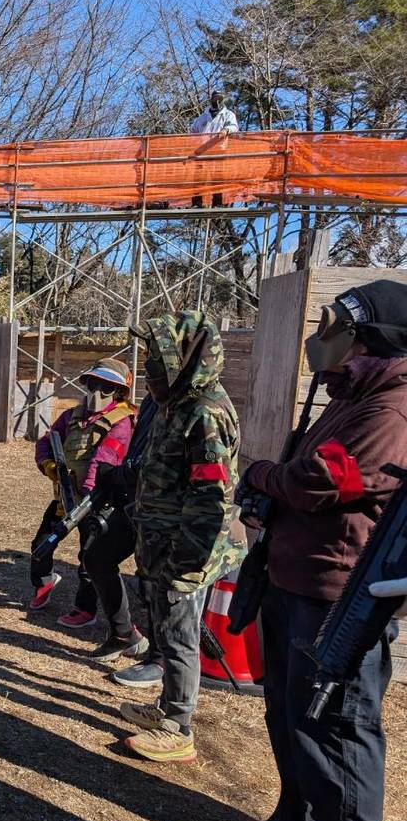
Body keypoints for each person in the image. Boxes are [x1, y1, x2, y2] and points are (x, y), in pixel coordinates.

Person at [235, 280, 407, 821]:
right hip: (296, 578)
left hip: (340, 595)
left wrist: (262, 474)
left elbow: (322, 481)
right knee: (290, 714)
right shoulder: (353, 395)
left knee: (336, 722)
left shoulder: (392, 409)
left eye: (345, 335)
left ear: (374, 341)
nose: (328, 344)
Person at [120, 310, 243, 764]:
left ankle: (179, 727)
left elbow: (210, 500)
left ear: (184, 356)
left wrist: (185, 567)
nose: (150, 364)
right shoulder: (177, 403)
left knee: (179, 634)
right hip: (163, 542)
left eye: (158, 354)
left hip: (186, 551)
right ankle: (167, 707)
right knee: (166, 628)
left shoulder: (205, 412)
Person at [28, 360, 136, 627]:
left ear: (119, 392)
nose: (97, 393)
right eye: (92, 385)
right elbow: (46, 442)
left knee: (89, 558)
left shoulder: (121, 422)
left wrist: (87, 498)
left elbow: (104, 460)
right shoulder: (72, 416)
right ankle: (44, 581)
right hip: (65, 499)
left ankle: (85, 610)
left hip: (96, 503)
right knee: (41, 545)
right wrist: (48, 465)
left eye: (106, 388)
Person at [79, 396, 157, 666]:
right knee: (96, 557)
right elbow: (138, 450)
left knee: (154, 581)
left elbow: (162, 462)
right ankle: (123, 634)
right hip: (134, 499)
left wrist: (119, 474)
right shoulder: (152, 400)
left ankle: (159, 659)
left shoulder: (184, 402)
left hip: (162, 508)